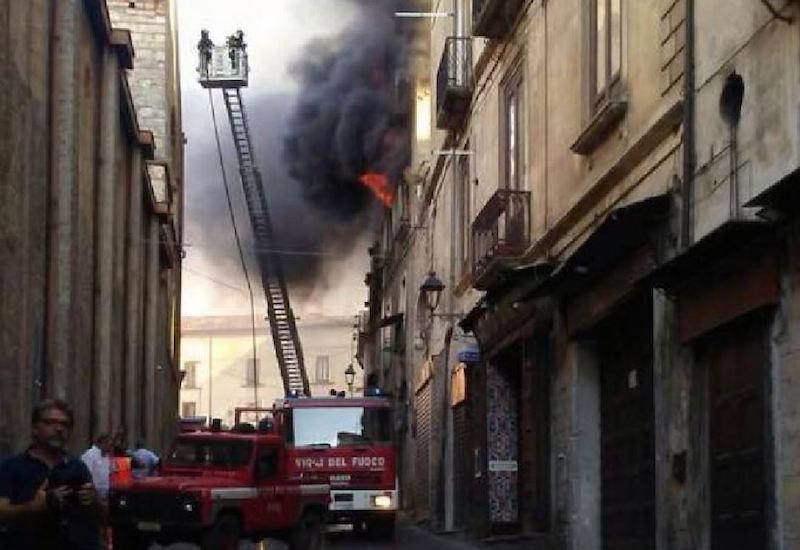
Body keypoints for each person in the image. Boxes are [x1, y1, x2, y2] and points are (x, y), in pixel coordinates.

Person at [0, 399, 100, 550]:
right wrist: (32, 507)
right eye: (50, 422)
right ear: (35, 428)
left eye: (64, 424)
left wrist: (94, 500)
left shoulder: (77, 467)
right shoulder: (11, 467)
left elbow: (100, 516)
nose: (58, 428)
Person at [80, 434, 112, 500]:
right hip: (92, 495)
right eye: (109, 445)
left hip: (105, 495)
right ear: (102, 443)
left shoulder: (107, 457)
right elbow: (86, 474)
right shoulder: (90, 454)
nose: (110, 447)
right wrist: (93, 492)